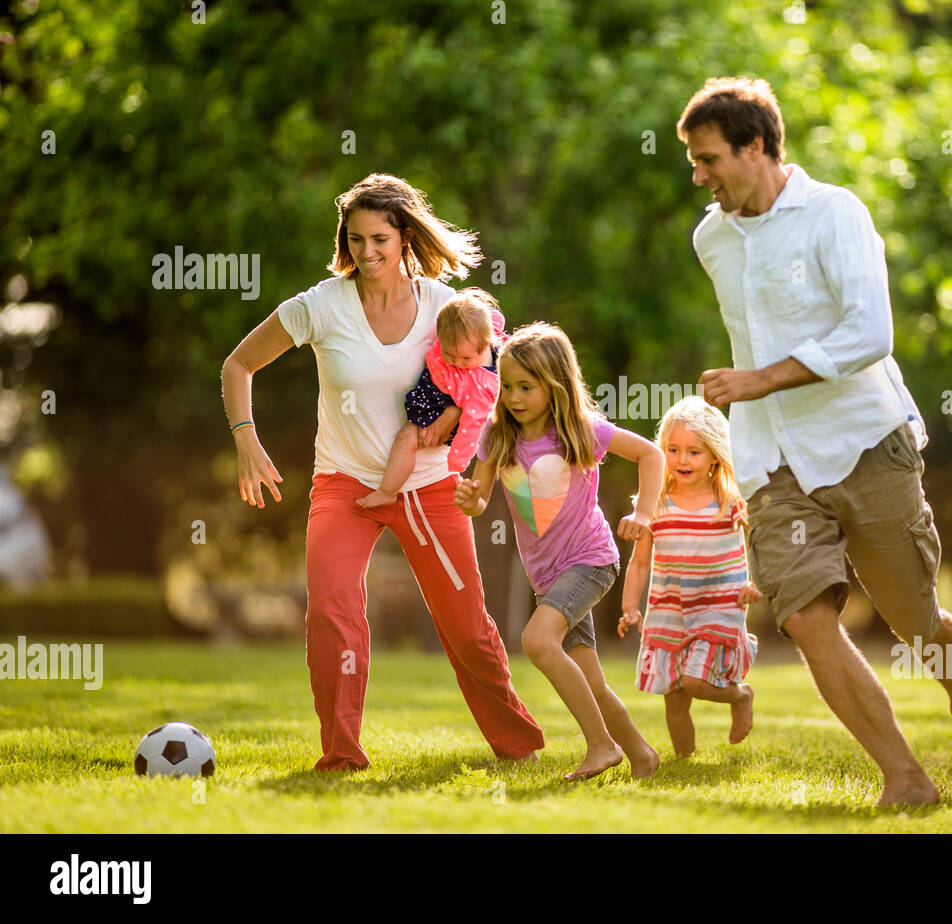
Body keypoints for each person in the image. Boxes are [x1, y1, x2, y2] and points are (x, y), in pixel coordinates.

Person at [678, 77, 952, 806]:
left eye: (707, 159)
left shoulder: (835, 214)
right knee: (803, 615)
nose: (698, 176)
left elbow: (869, 333)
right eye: (693, 162)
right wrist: (747, 393)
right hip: (774, 460)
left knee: (915, 622)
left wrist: (760, 379)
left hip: (864, 440)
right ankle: (905, 777)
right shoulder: (711, 238)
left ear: (755, 145)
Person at [220, 173, 543, 771]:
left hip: (428, 487)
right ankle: (341, 754)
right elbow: (238, 365)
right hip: (343, 484)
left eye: (380, 239)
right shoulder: (322, 305)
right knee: (332, 611)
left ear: (406, 239)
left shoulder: (450, 308)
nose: (367, 252)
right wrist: (246, 439)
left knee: (466, 623)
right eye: (356, 238)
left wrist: (486, 473)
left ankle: (518, 745)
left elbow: (497, 389)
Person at [453, 322, 663, 782]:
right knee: (592, 683)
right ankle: (643, 756)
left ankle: (601, 747)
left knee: (536, 640)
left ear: (556, 386)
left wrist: (644, 514)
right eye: (507, 385)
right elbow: (481, 497)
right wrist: (472, 501)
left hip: (591, 560)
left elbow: (651, 455)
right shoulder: (497, 437)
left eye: (526, 387)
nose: (513, 396)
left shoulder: (580, 431)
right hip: (546, 576)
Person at [617, 395, 760, 757]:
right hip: (669, 610)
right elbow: (639, 562)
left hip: (719, 605)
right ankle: (685, 759)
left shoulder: (731, 502)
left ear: (714, 454)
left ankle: (740, 695)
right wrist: (630, 607)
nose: (682, 460)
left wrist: (758, 582)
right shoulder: (655, 502)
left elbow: (763, 541)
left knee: (696, 681)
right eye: (673, 449)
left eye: (694, 452)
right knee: (675, 702)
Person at [357, 287, 505, 509]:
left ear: (485, 345)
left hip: (440, 406)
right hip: (436, 392)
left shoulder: (480, 386)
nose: (456, 362)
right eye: (449, 354)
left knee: (405, 440)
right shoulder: (478, 331)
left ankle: (387, 491)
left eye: (465, 358)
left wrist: (457, 461)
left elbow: (471, 427)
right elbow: (491, 318)